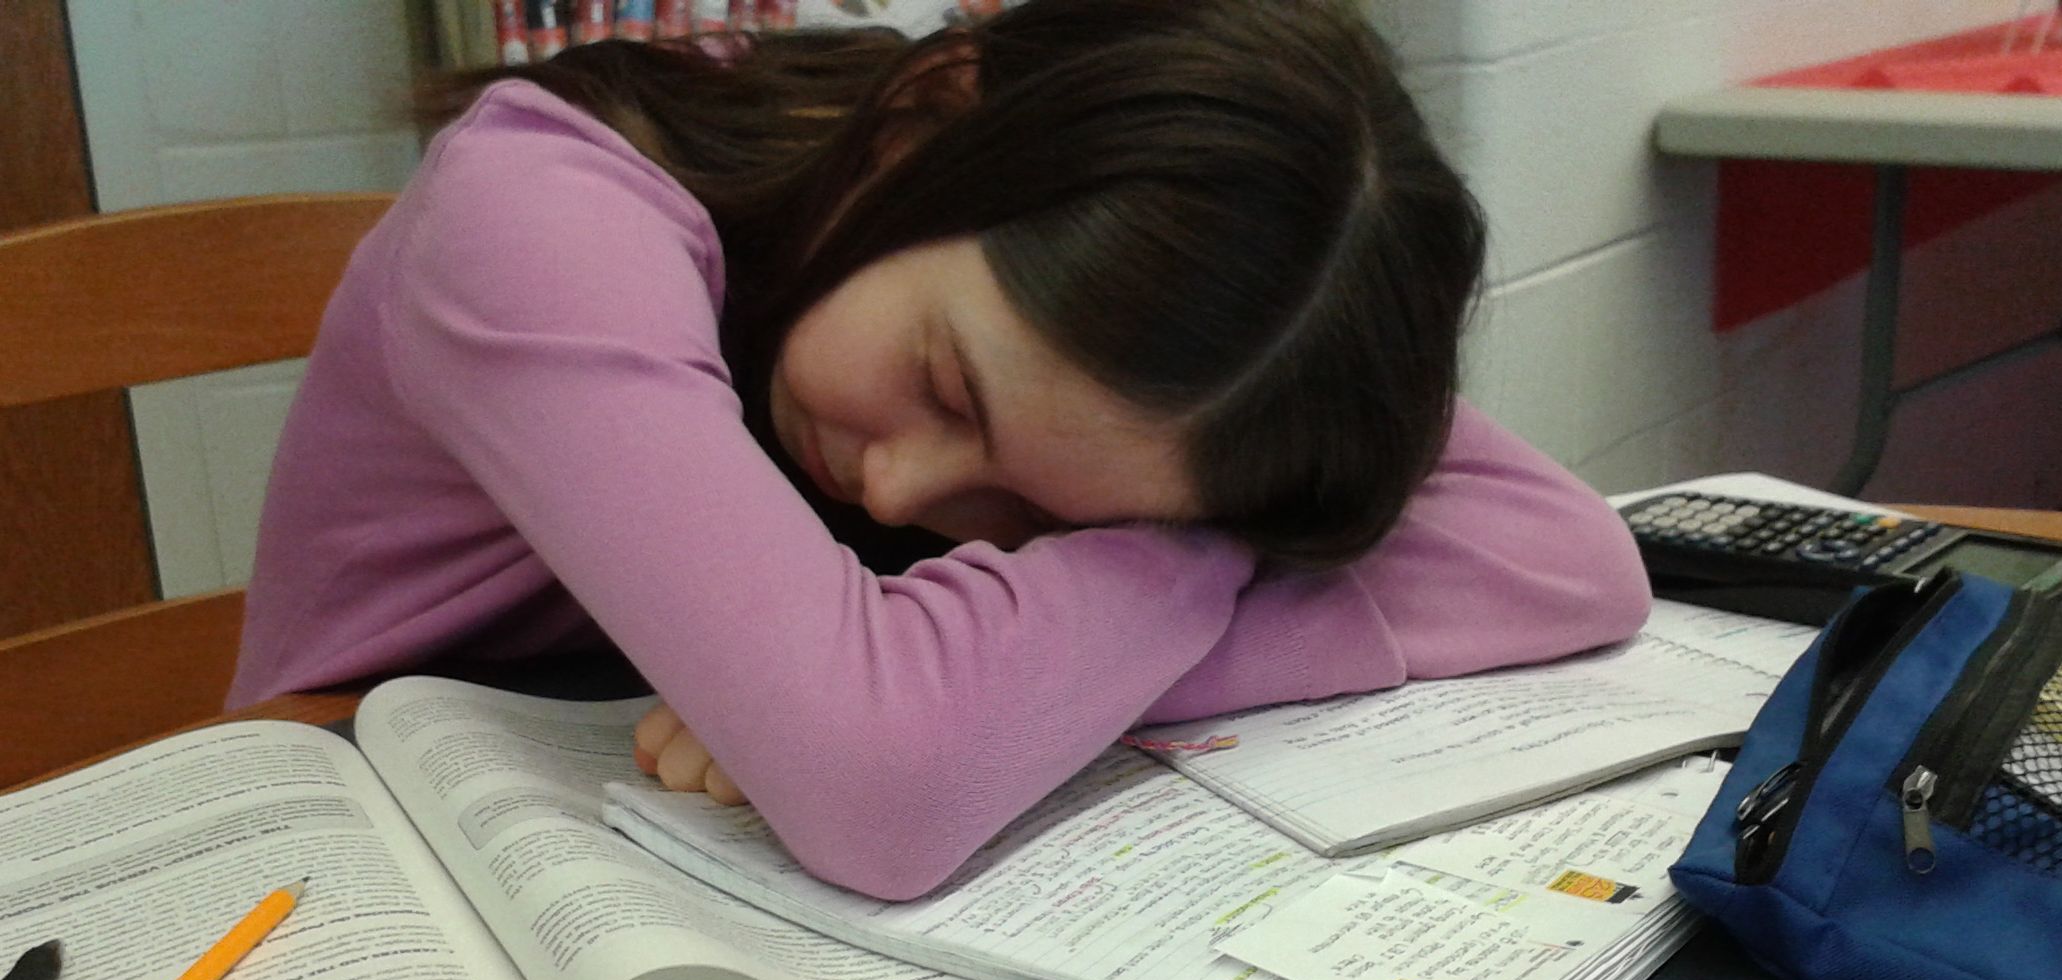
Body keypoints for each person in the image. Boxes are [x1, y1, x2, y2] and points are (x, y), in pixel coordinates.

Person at [230, 0, 1651, 901]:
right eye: (948, 387)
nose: (902, 491)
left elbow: (1568, 560)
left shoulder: (1206, 348)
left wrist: (979, 646)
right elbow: (884, 782)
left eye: (1034, 508)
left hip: (670, 856)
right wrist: (1161, 572)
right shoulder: (542, 206)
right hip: (370, 854)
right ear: (927, 121)